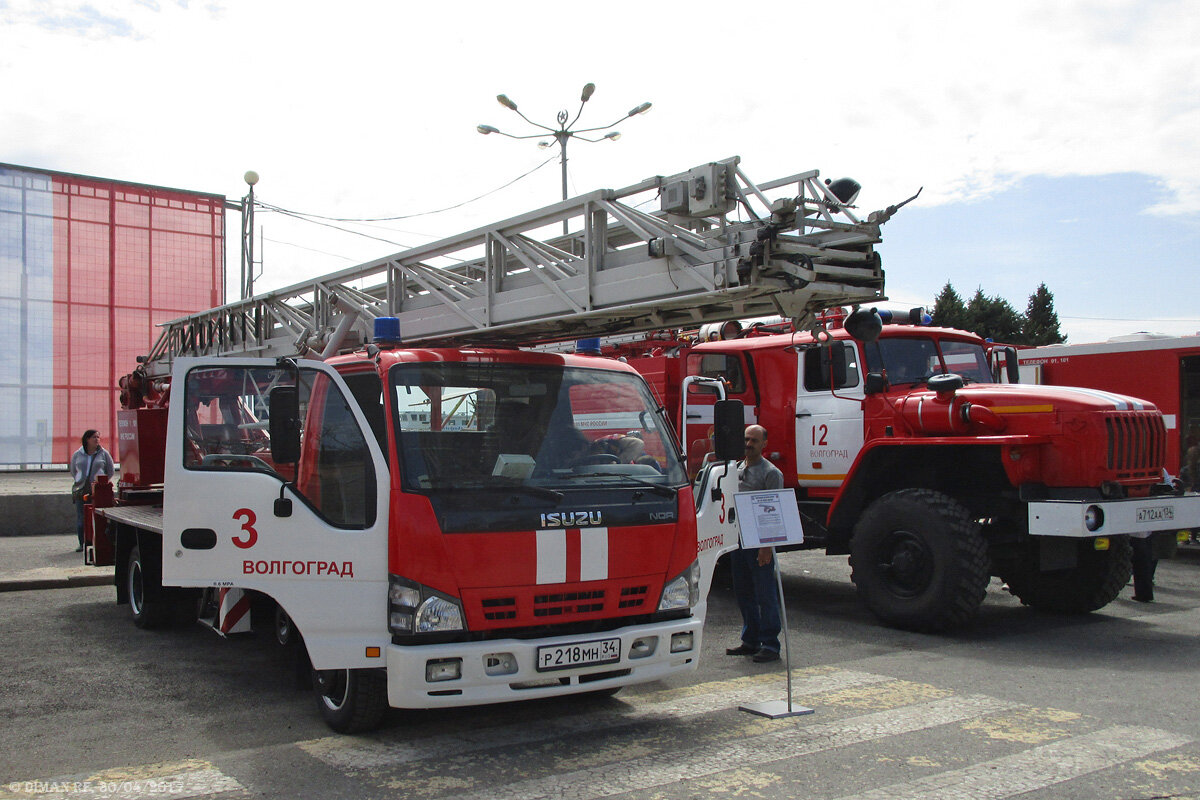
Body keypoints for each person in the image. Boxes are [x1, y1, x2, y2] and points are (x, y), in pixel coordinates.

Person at [726, 424, 785, 663]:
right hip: (737, 540)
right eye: (746, 439)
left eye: (754, 441)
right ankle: (750, 640)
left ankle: (770, 645)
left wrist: (766, 546)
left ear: (764, 445)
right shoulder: (736, 469)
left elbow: (775, 512)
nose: (748, 444)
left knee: (765, 594)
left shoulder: (772, 473)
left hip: (759, 541)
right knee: (744, 593)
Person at [70, 429, 115, 553]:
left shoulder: (103, 454)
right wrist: (81, 481)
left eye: (98, 437)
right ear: (87, 439)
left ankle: (98, 542)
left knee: (98, 517)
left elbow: (110, 470)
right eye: (94, 437)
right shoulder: (77, 454)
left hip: (98, 491)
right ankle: (82, 543)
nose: (97, 439)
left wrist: (102, 483)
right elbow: (73, 471)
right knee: (81, 518)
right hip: (81, 490)